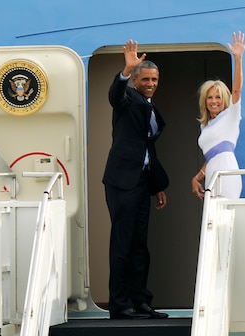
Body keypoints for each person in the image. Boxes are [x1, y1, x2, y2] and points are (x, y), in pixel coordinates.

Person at [102, 39, 169, 319]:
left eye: (154, 79)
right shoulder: (128, 99)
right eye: (145, 79)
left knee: (140, 246)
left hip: (142, 183)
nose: (151, 83)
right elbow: (115, 96)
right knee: (123, 244)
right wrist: (126, 71)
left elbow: (147, 148)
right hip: (122, 182)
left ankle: (141, 301)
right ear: (137, 80)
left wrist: (157, 186)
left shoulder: (151, 106)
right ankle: (120, 304)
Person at [191, 31, 245, 200]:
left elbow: (237, 90)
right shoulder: (205, 125)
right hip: (212, 177)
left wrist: (238, 59)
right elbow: (212, 156)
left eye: (218, 97)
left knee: (224, 223)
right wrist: (197, 177)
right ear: (205, 101)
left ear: (224, 100)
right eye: (210, 97)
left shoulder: (230, 116)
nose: (214, 101)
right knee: (212, 224)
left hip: (227, 175)